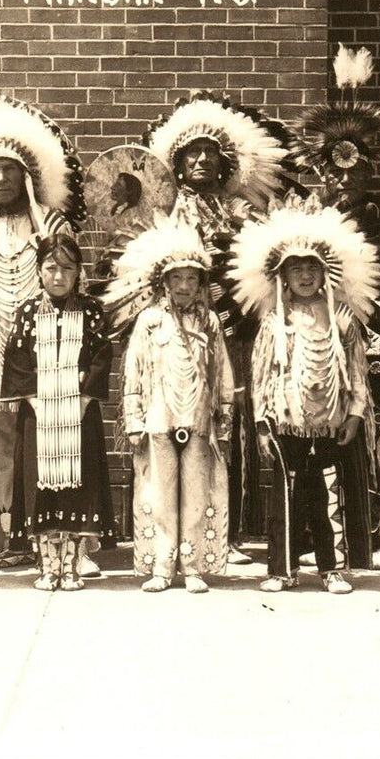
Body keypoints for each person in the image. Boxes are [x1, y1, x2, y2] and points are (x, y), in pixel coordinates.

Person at [141, 92, 290, 563]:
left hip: (231, 333)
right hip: (173, 333)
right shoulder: (161, 214)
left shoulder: (243, 213)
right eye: (192, 153)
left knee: (229, 423)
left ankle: (225, 533)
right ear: (178, 163)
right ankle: (170, 535)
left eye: (211, 153)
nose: (202, 160)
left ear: (224, 164)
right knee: (171, 426)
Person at [297, 44, 380, 570]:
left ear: (369, 168)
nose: (344, 178)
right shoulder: (306, 216)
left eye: (354, 168)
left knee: (376, 429)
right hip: (318, 340)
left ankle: (378, 531)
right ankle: (319, 532)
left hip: (376, 341)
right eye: (334, 168)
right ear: (322, 171)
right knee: (317, 430)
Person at [0, 96, 85, 571]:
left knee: (42, 442)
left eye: (9, 170)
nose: (1, 179)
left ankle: (43, 537)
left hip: (45, 352)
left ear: (26, 176)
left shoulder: (50, 224)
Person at [231, 193, 380, 594]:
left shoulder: (342, 319)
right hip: (287, 424)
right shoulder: (273, 322)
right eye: (294, 269)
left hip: (330, 424)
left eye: (311, 268)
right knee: (286, 498)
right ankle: (281, 569)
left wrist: (354, 414)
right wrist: (263, 424)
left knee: (329, 496)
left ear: (326, 273)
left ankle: (331, 568)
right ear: (281, 277)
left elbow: (356, 372)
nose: (303, 276)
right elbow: (262, 375)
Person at [103, 213, 235, 593]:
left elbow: (223, 371)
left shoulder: (209, 321)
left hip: (198, 420)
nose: (184, 285)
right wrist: (133, 419)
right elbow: (133, 372)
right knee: (160, 494)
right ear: (163, 282)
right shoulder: (148, 321)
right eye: (176, 278)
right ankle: (162, 565)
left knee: (195, 493)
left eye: (192, 278)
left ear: (201, 284)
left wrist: (224, 416)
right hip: (158, 420)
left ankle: (191, 565)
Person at [1, 234, 115, 591]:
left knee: (78, 488)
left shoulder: (92, 311)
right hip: (39, 417)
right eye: (51, 268)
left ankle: (72, 567)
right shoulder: (27, 313)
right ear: (38, 271)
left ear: (78, 272)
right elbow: (17, 361)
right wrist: (39, 403)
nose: (58, 276)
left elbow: (100, 357)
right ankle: (47, 567)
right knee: (42, 488)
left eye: (67, 268)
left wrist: (79, 401)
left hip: (80, 416)